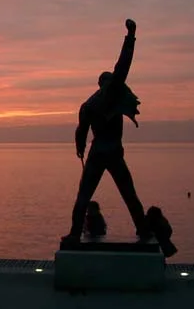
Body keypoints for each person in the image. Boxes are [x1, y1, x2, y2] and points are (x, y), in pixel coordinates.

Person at [62, 19, 149, 244]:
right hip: (112, 151)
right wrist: (131, 36)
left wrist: (79, 147)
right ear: (107, 84)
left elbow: (80, 132)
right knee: (129, 193)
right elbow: (123, 64)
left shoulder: (87, 105)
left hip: (97, 151)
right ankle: (143, 229)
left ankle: (74, 233)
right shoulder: (112, 95)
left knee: (83, 195)